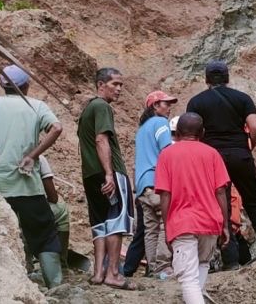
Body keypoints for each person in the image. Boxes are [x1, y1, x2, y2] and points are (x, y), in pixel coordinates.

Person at [0, 65, 64, 287]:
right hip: (26, 186)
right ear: (26, 85)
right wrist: (33, 155)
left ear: (2, 85)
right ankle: (55, 285)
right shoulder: (36, 106)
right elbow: (57, 128)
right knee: (44, 235)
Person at [186, 60, 256, 267]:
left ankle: (231, 260)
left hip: (212, 158)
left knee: (219, 208)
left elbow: (192, 133)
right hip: (240, 155)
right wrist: (249, 146)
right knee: (253, 200)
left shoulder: (196, 102)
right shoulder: (242, 98)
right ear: (227, 78)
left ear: (206, 79)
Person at [156, 113, 231, 304]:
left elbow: (165, 195)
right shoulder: (212, 153)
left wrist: (167, 225)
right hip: (210, 220)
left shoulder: (167, 155)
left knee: (188, 279)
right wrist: (225, 225)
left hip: (182, 223)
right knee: (203, 264)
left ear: (178, 133)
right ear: (203, 132)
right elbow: (221, 192)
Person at [77, 67, 135, 289]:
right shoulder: (102, 107)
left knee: (100, 223)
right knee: (116, 222)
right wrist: (110, 174)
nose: (119, 89)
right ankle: (113, 273)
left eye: (121, 85)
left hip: (90, 173)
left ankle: (98, 273)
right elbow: (102, 140)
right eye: (115, 84)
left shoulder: (88, 109)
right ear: (101, 85)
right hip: (107, 172)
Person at [135, 90, 177, 276]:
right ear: (155, 106)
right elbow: (168, 153)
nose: (169, 108)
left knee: (150, 228)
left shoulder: (142, 129)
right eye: (165, 104)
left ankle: (153, 268)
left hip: (142, 184)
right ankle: (163, 266)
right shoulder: (161, 123)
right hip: (157, 181)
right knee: (163, 223)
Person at [37, 155, 71, 271]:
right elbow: (53, 197)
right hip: (31, 206)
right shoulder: (38, 158)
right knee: (61, 209)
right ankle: (62, 263)